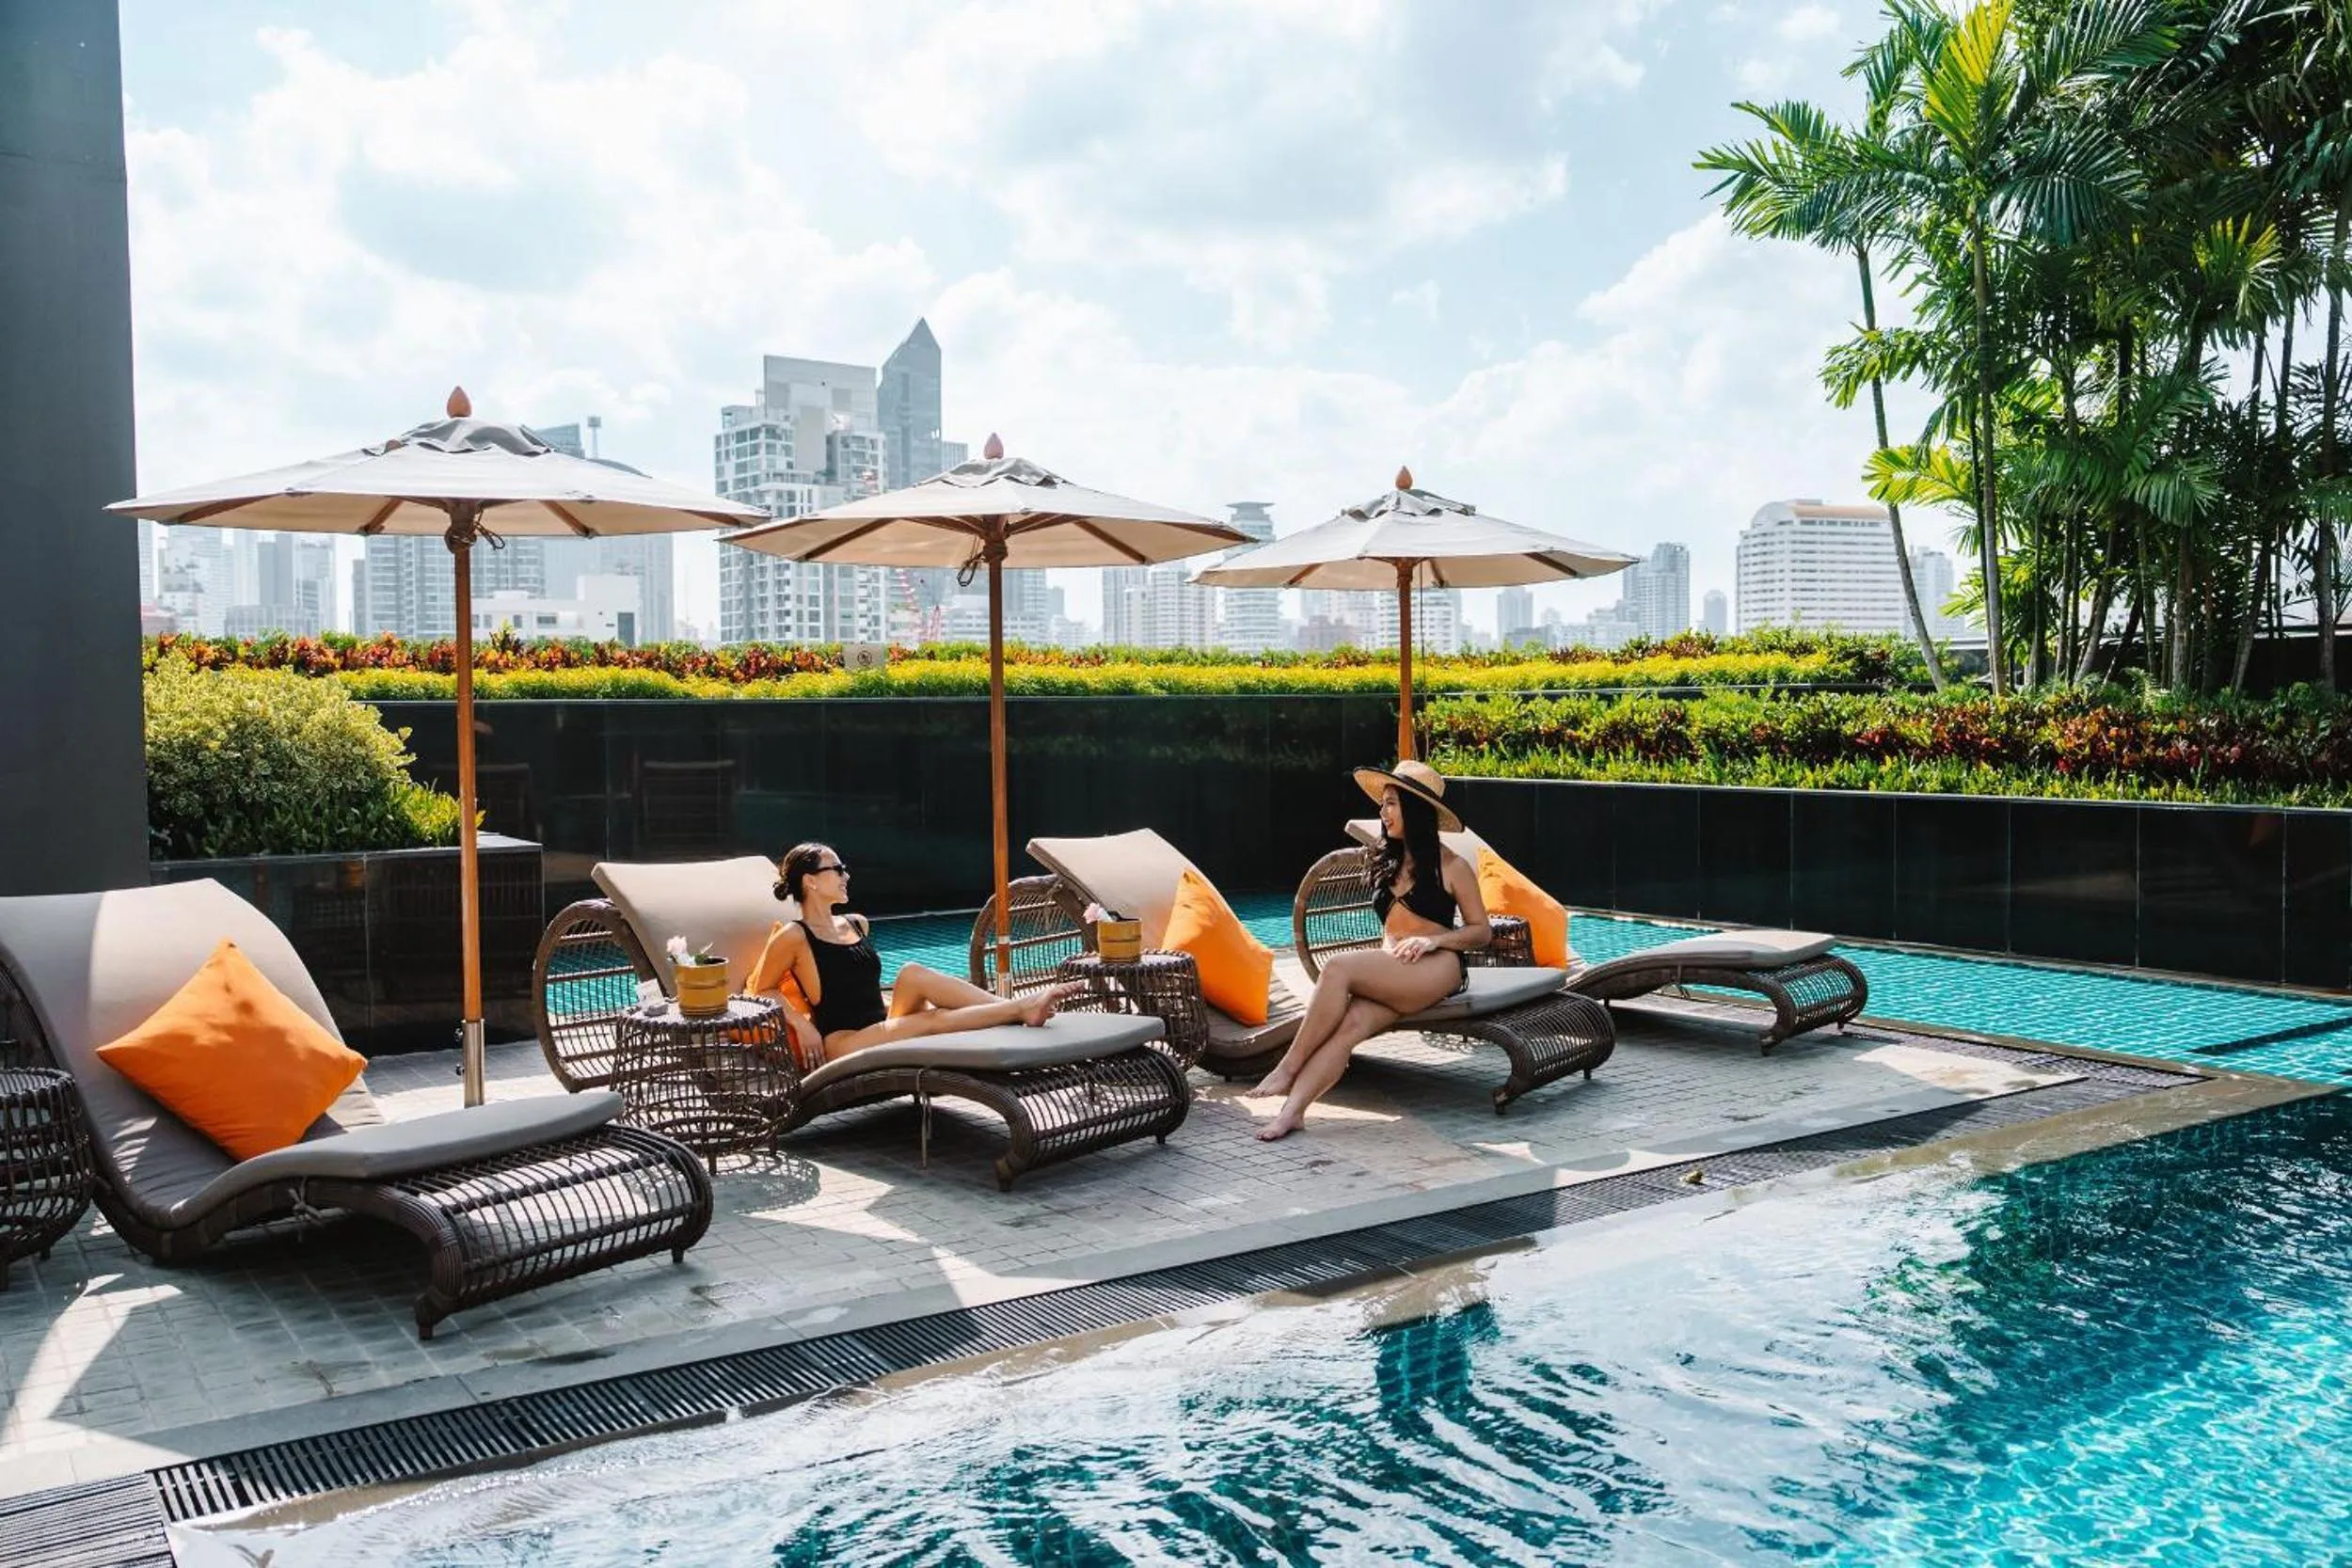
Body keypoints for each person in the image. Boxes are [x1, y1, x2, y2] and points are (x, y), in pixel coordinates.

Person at [1250, 761, 1490, 1140]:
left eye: (1392, 803)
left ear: (1416, 809)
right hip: (1397, 970)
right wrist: (1382, 967)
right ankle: (1292, 1113)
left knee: (1338, 968)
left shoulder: (1453, 867)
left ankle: (1288, 1066)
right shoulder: (1387, 858)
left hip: (1438, 967)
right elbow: (1392, 930)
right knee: (1349, 1027)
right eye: (1383, 804)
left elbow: (1482, 932)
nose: (1383, 813)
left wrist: (1435, 940)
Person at [755, 842, 1066, 1064]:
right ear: (810, 881)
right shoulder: (794, 936)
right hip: (844, 1041)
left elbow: (862, 988)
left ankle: (1017, 1007)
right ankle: (1020, 1010)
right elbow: (762, 990)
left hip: (883, 1022)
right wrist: (802, 1025)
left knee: (912, 972)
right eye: (837, 870)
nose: (846, 876)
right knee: (932, 1020)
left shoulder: (856, 924)